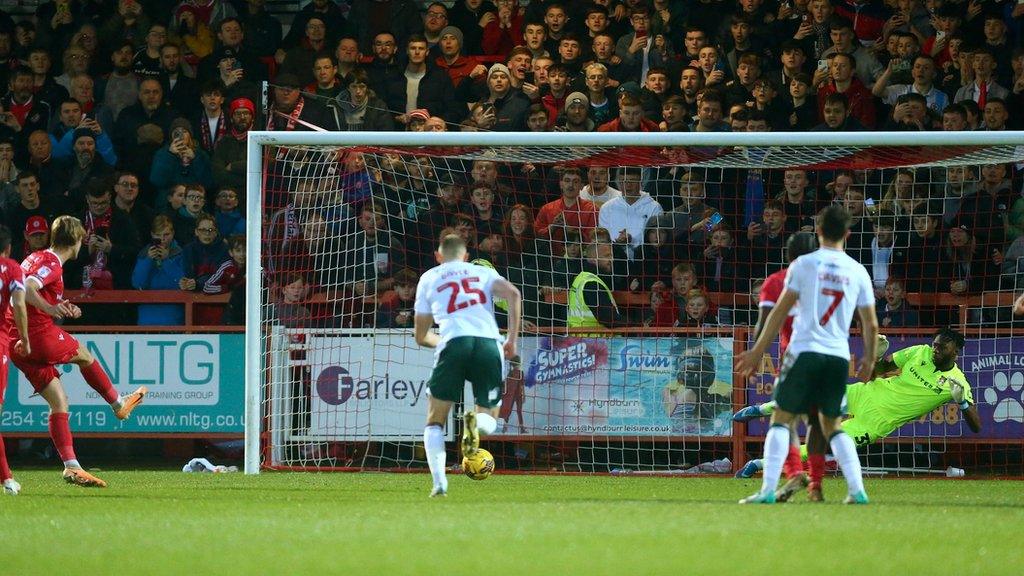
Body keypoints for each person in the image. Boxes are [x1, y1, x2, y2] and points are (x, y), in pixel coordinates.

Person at [736, 205, 877, 505]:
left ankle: (766, 492)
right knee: (831, 425)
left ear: (819, 231)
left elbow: (779, 312)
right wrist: (869, 359)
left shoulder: (803, 265)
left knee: (781, 418)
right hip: (838, 357)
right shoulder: (858, 270)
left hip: (803, 353)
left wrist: (757, 350)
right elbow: (871, 323)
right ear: (848, 234)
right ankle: (857, 490)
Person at [734, 328, 981, 485]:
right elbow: (876, 372)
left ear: (956, 351)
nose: (936, 350)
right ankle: (760, 410)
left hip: (876, 423)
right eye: (936, 345)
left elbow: (976, 426)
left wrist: (962, 402)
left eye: (942, 347)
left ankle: (758, 465)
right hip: (865, 394)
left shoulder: (957, 383)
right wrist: (875, 355)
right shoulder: (920, 352)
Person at [12, 215, 147, 487]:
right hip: (37, 334)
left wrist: (60, 304)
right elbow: (27, 288)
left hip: (17, 341)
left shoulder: (37, 257)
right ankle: (119, 405)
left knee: (59, 402)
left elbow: (28, 287)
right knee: (85, 355)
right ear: (75, 241)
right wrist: (51, 309)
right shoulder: (52, 263)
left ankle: (71, 467)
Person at [414, 233, 522, 497]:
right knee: (490, 418)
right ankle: (476, 422)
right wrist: (511, 340)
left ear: (438, 256)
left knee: (435, 420)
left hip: (453, 342)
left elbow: (421, 335)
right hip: (488, 344)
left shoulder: (428, 278)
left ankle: (439, 483)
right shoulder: (480, 272)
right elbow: (514, 293)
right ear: (465, 256)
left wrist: (445, 342)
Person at [0, 225, 29, 495]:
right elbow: (19, 305)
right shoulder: (12, 268)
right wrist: (26, 339)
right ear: (8, 248)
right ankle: (7, 479)